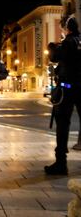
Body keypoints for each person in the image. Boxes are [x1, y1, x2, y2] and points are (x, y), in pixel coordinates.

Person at [45, 15, 81, 175]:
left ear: (67, 29)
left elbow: (53, 57)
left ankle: (61, 162)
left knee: (63, 123)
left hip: (67, 88)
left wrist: (53, 46)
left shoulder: (67, 42)